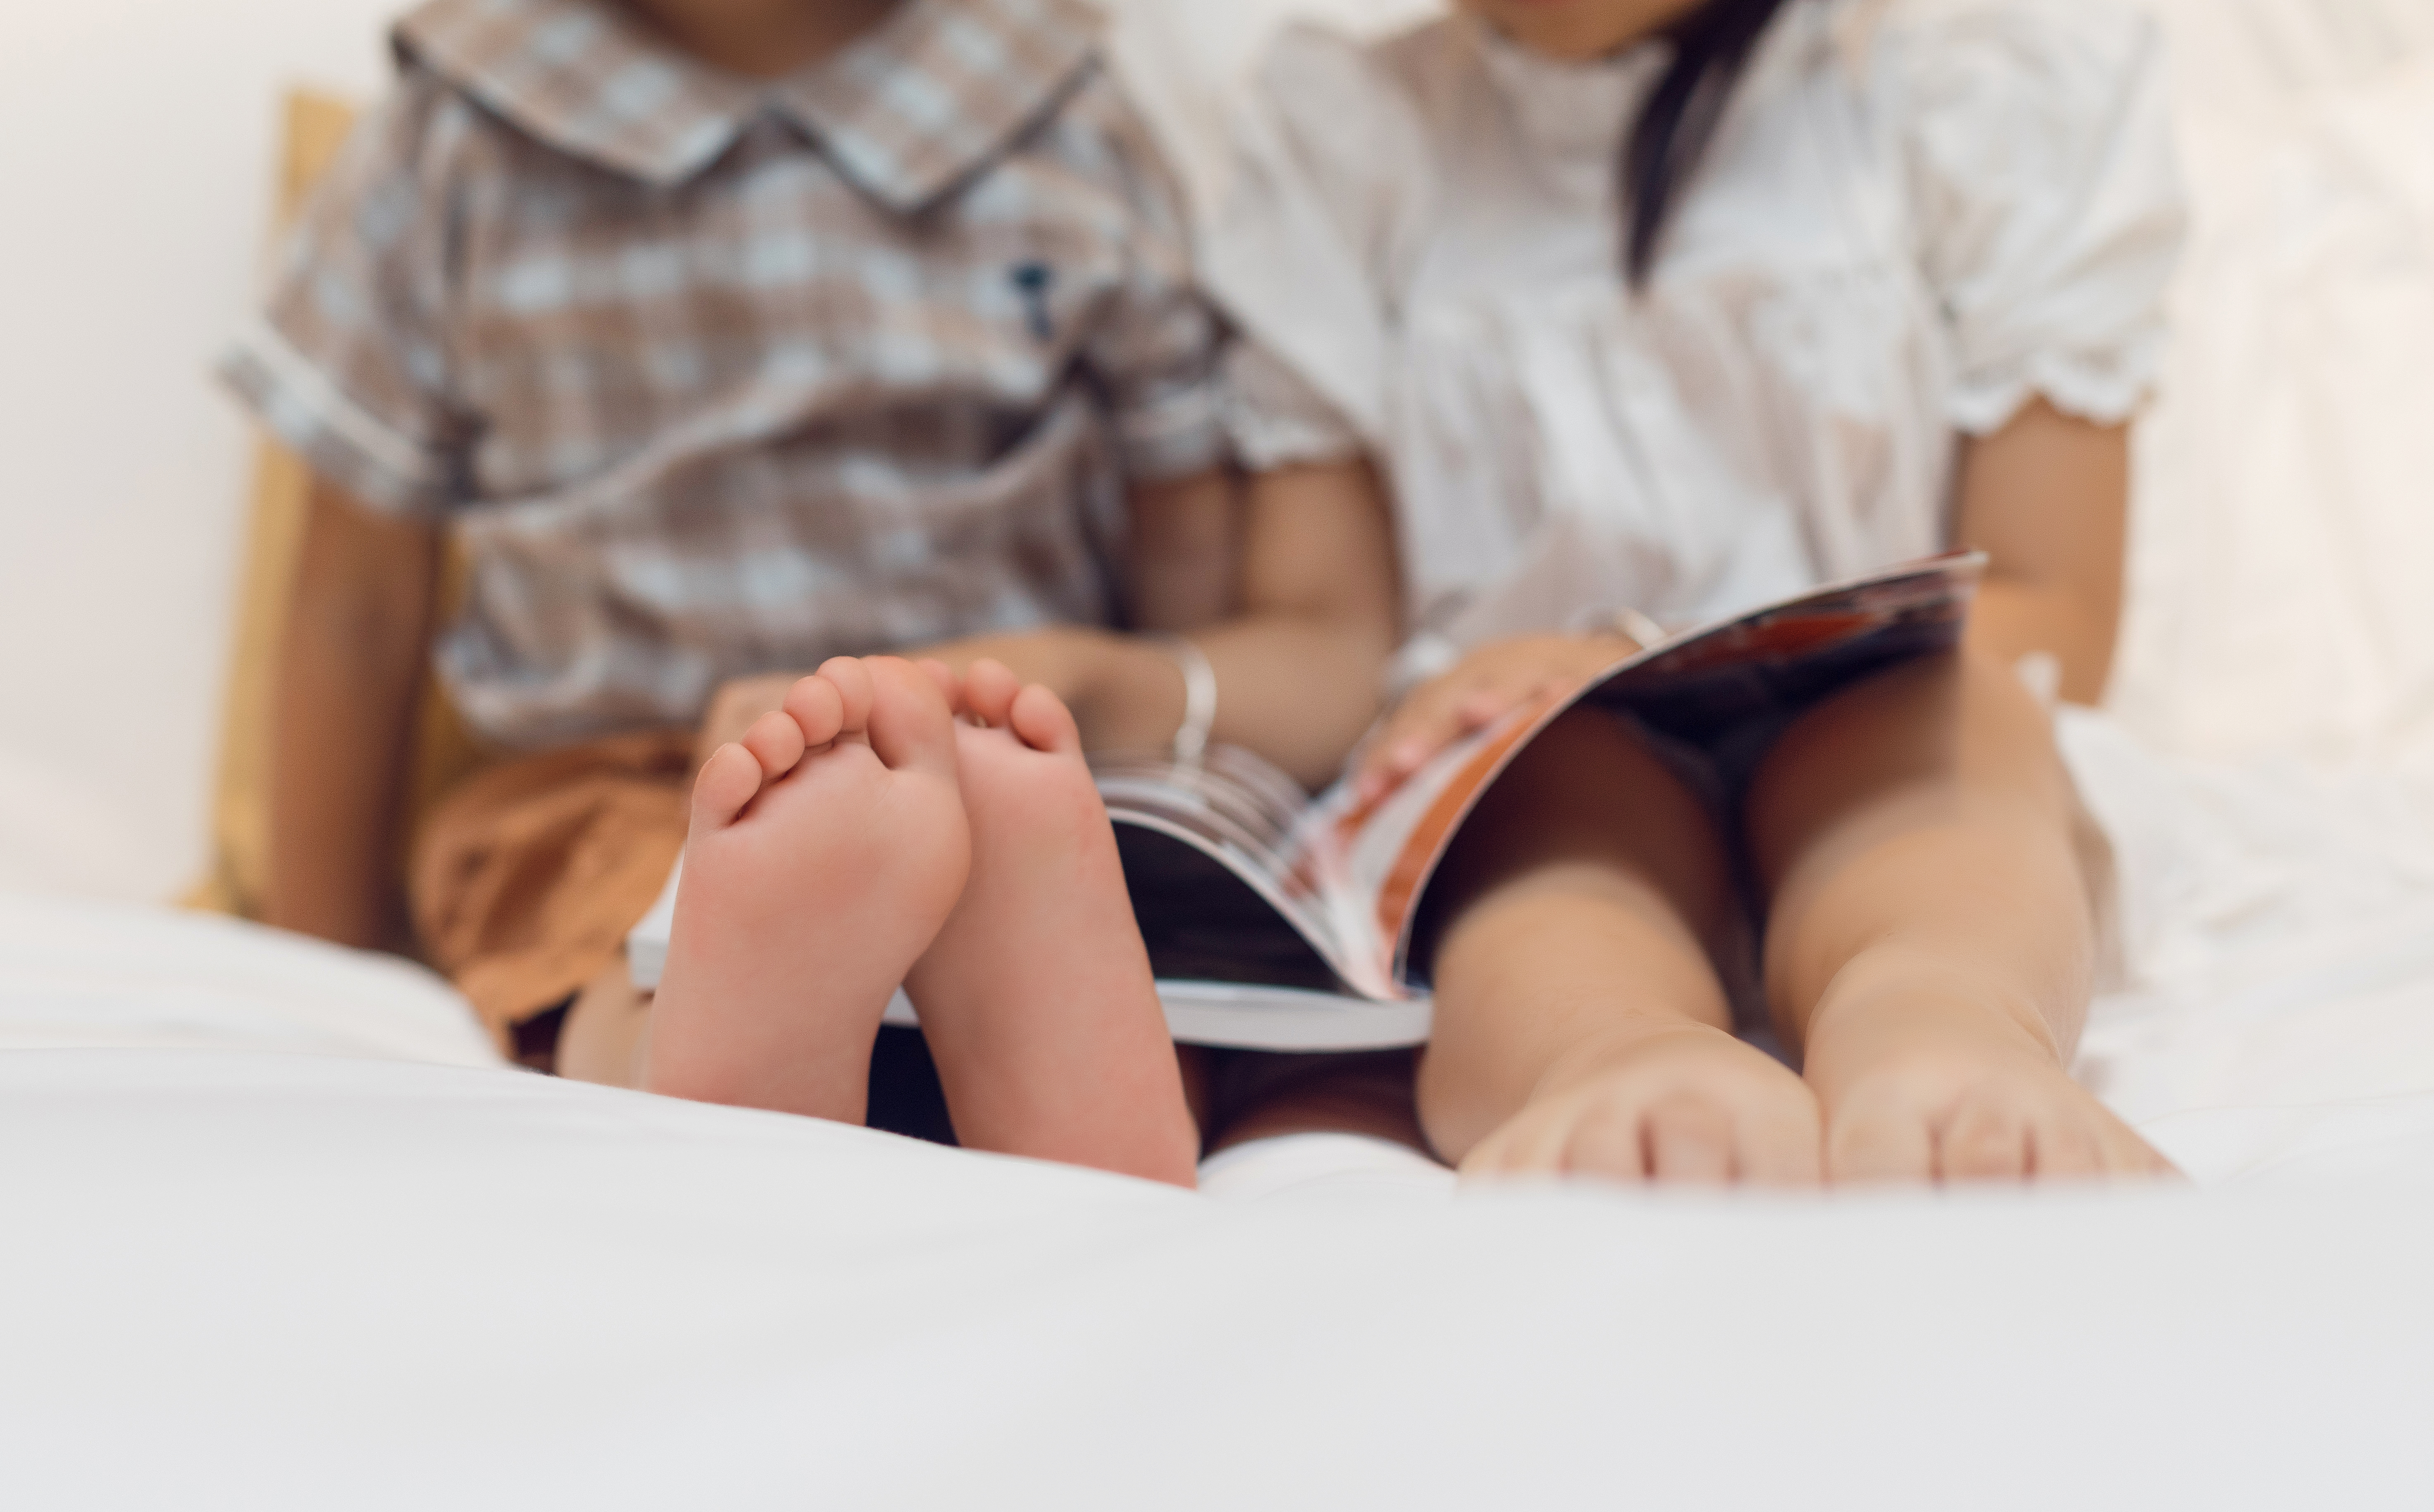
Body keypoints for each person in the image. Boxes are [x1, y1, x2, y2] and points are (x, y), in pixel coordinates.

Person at [222, 0, 1399, 1184]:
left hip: (996, 759)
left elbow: (1183, 563)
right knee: (646, 936)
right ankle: (921, 1052)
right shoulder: (456, 130)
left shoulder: (1060, 110)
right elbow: (357, 610)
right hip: (647, 768)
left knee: (1022, 910)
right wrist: (319, 972)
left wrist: (1142, 750)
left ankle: (741, 1047)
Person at [1197, 0, 2188, 1183]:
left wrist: (1632, 646)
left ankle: (1945, 1021)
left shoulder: (1977, 80)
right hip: (1538, 749)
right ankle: (1607, 1053)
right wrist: (1119, 683)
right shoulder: (1351, 130)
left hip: (1897, 709)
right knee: (1547, 812)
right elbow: (1330, 634)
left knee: (1944, 722)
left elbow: (2053, 610)